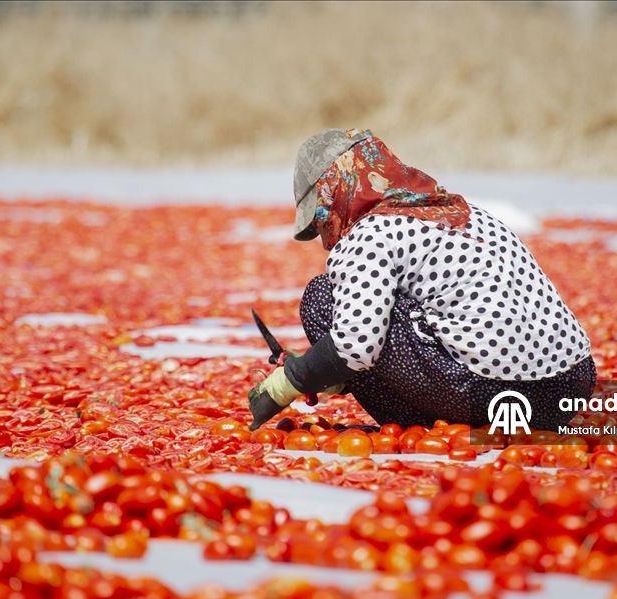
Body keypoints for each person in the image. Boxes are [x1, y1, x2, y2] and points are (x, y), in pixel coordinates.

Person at [248, 129, 595, 431]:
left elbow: (356, 346)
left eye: (321, 220)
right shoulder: (458, 210)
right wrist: (324, 371)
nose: (325, 240)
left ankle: (418, 423)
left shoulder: (369, 235)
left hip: (496, 397)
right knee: (361, 324)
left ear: (335, 193)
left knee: (322, 299)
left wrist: (287, 383)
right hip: (570, 389)